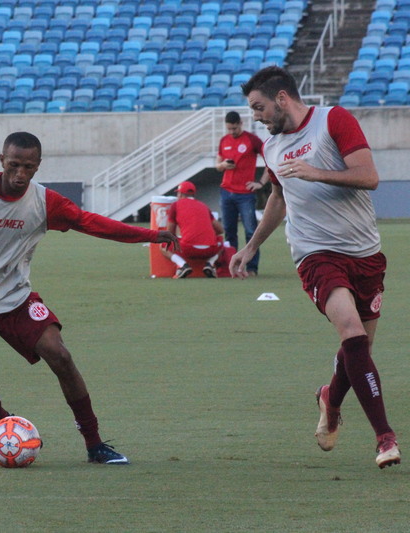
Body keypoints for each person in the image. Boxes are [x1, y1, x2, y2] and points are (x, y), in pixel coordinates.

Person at [0, 132, 179, 465]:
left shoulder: (44, 202)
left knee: (60, 354)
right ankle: (2, 423)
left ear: (38, 166)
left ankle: (95, 444)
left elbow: (92, 224)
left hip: (16, 299)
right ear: (1, 161)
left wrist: (151, 235)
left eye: (28, 166)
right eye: (13, 165)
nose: (20, 174)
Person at [232, 66, 400, 469]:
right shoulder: (270, 148)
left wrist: (315, 172)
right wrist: (250, 246)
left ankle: (330, 397)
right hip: (315, 254)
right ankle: (385, 437)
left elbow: (369, 177)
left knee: (359, 348)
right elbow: (278, 196)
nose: (255, 115)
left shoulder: (334, 120)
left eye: (259, 107)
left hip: (364, 253)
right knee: (352, 334)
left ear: (282, 98)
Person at [216, 110, 267, 276]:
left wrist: (260, 183)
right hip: (226, 192)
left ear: (240, 124)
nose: (231, 132)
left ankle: (252, 268)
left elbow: (270, 160)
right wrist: (223, 165)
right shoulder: (224, 141)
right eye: (229, 129)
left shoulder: (252, 140)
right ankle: (231, 268)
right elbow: (218, 165)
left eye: (234, 128)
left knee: (251, 231)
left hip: (245, 194)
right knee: (229, 232)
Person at [160, 181, 224, 279]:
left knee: (164, 243)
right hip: (210, 249)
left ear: (180, 194)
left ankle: (182, 265)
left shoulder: (176, 205)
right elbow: (220, 230)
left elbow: (170, 233)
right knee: (220, 240)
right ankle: (210, 264)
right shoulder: (203, 205)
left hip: (188, 249)